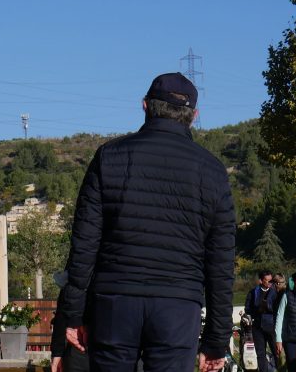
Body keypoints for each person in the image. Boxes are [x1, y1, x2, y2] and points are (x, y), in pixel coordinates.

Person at [60, 72, 236, 372]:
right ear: (193, 116)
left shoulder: (108, 157)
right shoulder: (213, 171)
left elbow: (84, 246)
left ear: (145, 106)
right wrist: (216, 339)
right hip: (178, 307)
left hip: (115, 302)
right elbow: (220, 264)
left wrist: (74, 314)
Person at [245, 270, 280, 372]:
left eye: (271, 280)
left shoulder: (275, 292)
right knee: (260, 354)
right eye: (267, 280)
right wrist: (256, 310)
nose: (269, 282)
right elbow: (247, 308)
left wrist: (268, 308)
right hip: (257, 327)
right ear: (261, 280)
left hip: (272, 326)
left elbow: (279, 309)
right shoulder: (253, 292)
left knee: (276, 352)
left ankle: (280, 369)